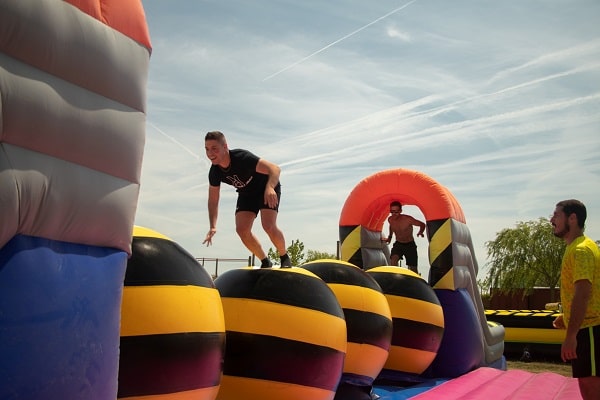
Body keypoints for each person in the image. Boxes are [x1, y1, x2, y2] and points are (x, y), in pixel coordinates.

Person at [202, 131, 291, 268]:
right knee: (242, 229)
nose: (210, 153)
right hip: (247, 194)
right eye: (207, 149)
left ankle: (284, 256)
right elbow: (213, 200)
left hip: (266, 188)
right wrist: (213, 225)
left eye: (214, 148)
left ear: (225, 146)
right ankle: (265, 261)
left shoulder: (241, 157)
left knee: (268, 225)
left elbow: (275, 169)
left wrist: (270, 188)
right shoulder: (214, 172)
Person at [550, 199, 600, 399]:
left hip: (590, 330)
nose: (551, 220)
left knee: (591, 390)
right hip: (586, 329)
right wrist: (567, 316)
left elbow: (583, 292)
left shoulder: (580, 250)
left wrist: (571, 336)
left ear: (572, 218)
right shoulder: (577, 247)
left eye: (556, 215)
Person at [383, 201, 426, 274]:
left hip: (410, 245)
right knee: (393, 260)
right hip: (398, 244)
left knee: (413, 269)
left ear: (400, 211)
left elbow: (422, 224)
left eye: (396, 212)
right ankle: (395, 278)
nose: (394, 214)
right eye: (392, 212)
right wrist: (389, 237)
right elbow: (391, 227)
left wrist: (420, 232)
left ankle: (414, 281)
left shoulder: (408, 219)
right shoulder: (390, 219)